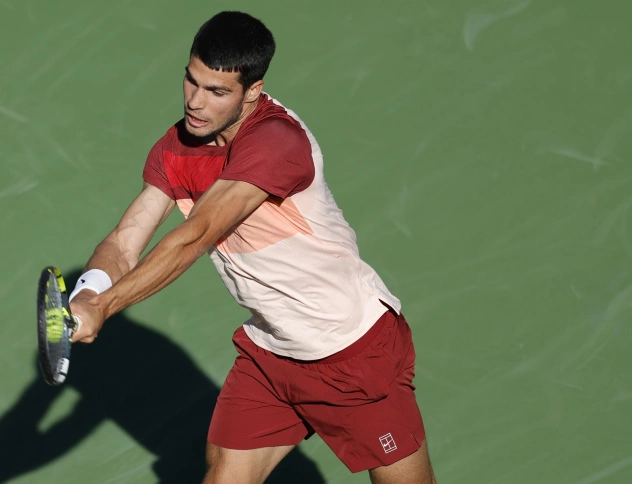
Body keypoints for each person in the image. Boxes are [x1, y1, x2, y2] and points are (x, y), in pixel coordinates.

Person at [68, 10, 436, 484]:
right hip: (272, 352)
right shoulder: (177, 146)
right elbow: (124, 241)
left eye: (217, 92)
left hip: (350, 351)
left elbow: (195, 236)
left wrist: (108, 304)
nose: (196, 103)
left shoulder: (276, 141)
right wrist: (88, 290)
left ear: (253, 92)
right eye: (191, 81)